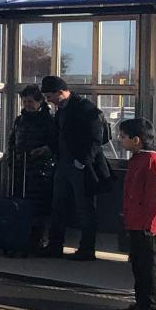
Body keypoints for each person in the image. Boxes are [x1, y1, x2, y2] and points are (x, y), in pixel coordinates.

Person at [42, 74, 111, 260]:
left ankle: (87, 248)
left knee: (84, 208)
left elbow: (97, 138)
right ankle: (55, 244)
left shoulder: (85, 108)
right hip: (65, 163)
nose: (49, 101)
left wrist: (82, 161)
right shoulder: (63, 110)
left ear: (61, 92)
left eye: (50, 96)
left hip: (80, 166)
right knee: (58, 206)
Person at [116, 119, 156, 310]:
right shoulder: (138, 158)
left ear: (136, 140)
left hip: (147, 223)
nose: (120, 140)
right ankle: (140, 302)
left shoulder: (152, 160)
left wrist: (153, 223)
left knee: (148, 265)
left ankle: (150, 304)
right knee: (138, 263)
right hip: (135, 220)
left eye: (123, 137)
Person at [7, 84, 57, 256]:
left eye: (30, 101)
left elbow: (54, 144)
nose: (27, 105)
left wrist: (43, 151)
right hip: (21, 167)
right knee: (20, 204)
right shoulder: (20, 120)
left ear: (39, 102)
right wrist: (11, 158)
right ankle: (21, 236)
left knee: (38, 206)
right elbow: (12, 140)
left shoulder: (48, 121)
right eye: (25, 101)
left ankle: (36, 240)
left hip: (40, 170)